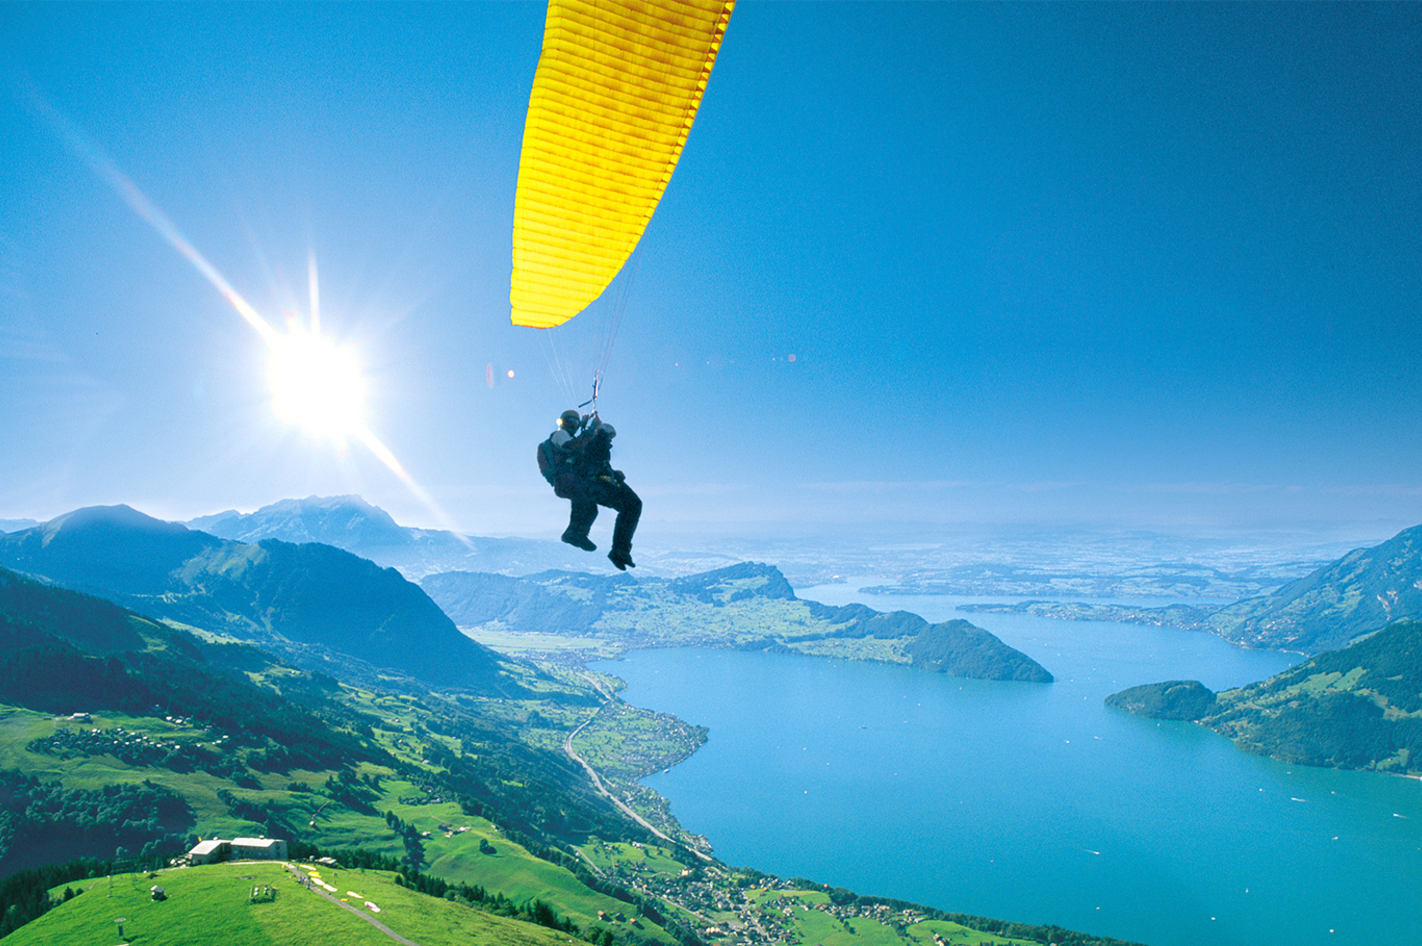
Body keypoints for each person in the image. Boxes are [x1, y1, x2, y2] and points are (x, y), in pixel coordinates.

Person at [543, 409, 641, 570]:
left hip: (587, 480)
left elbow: (591, 459)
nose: (573, 425)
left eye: (575, 422)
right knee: (596, 506)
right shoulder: (560, 435)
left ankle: (618, 550)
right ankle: (579, 535)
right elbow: (572, 447)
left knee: (629, 505)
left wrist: (612, 473)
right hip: (578, 481)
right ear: (561, 422)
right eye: (569, 421)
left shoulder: (582, 442)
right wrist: (591, 431)